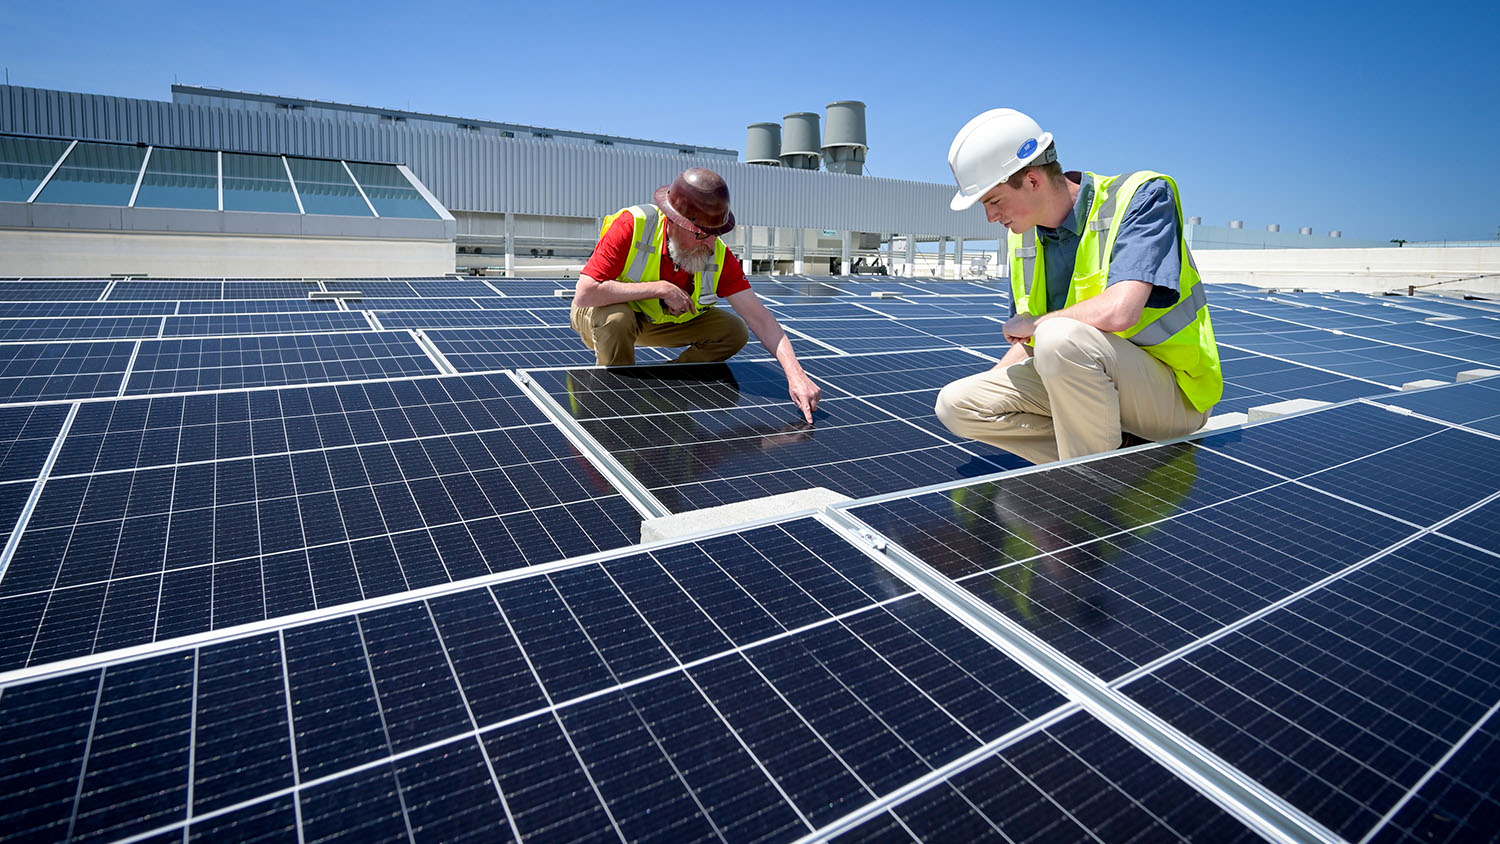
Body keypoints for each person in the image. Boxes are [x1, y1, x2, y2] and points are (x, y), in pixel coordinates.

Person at [934, 108, 1222, 465]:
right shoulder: (1023, 240)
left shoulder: (1140, 198)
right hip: (1086, 381)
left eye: (993, 200)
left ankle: (1089, 494)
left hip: (1172, 396)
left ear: (1033, 180)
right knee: (957, 404)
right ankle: (1114, 456)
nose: (991, 217)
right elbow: (1028, 344)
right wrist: (993, 389)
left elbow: (1122, 309)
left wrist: (1037, 325)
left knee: (1059, 337)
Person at [571, 167, 822, 422]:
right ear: (673, 220)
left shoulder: (719, 255)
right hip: (599, 315)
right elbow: (585, 293)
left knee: (733, 331)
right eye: (702, 234)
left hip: (659, 323)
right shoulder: (634, 226)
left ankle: (659, 386)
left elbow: (760, 317)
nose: (710, 245)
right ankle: (617, 394)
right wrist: (660, 288)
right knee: (617, 319)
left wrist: (796, 375)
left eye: (716, 234)